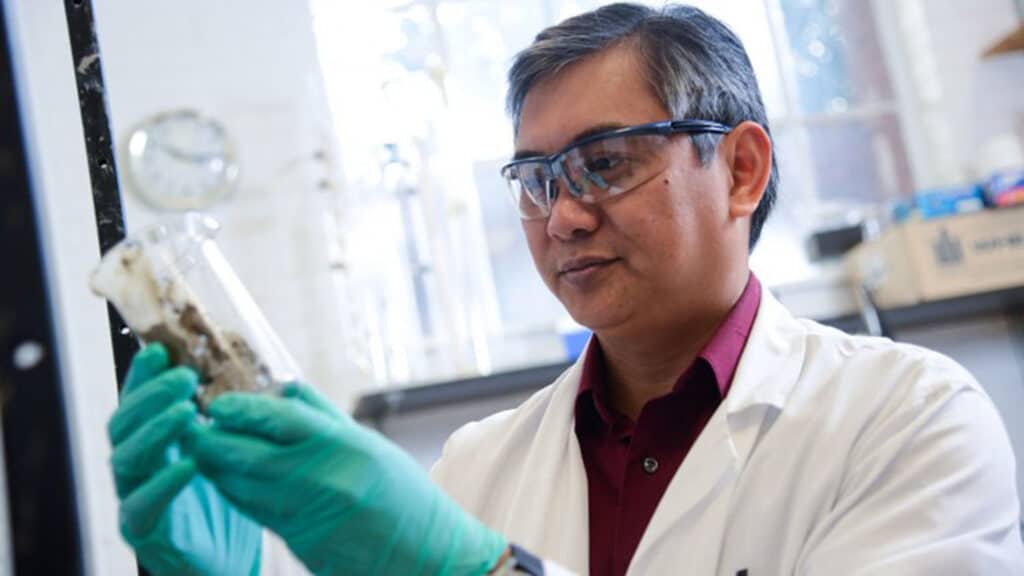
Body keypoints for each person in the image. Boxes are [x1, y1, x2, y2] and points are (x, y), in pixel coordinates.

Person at [106, 4, 1024, 575]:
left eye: (605, 163)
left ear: (741, 169)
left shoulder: (912, 422)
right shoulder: (474, 469)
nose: (563, 217)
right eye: (538, 179)